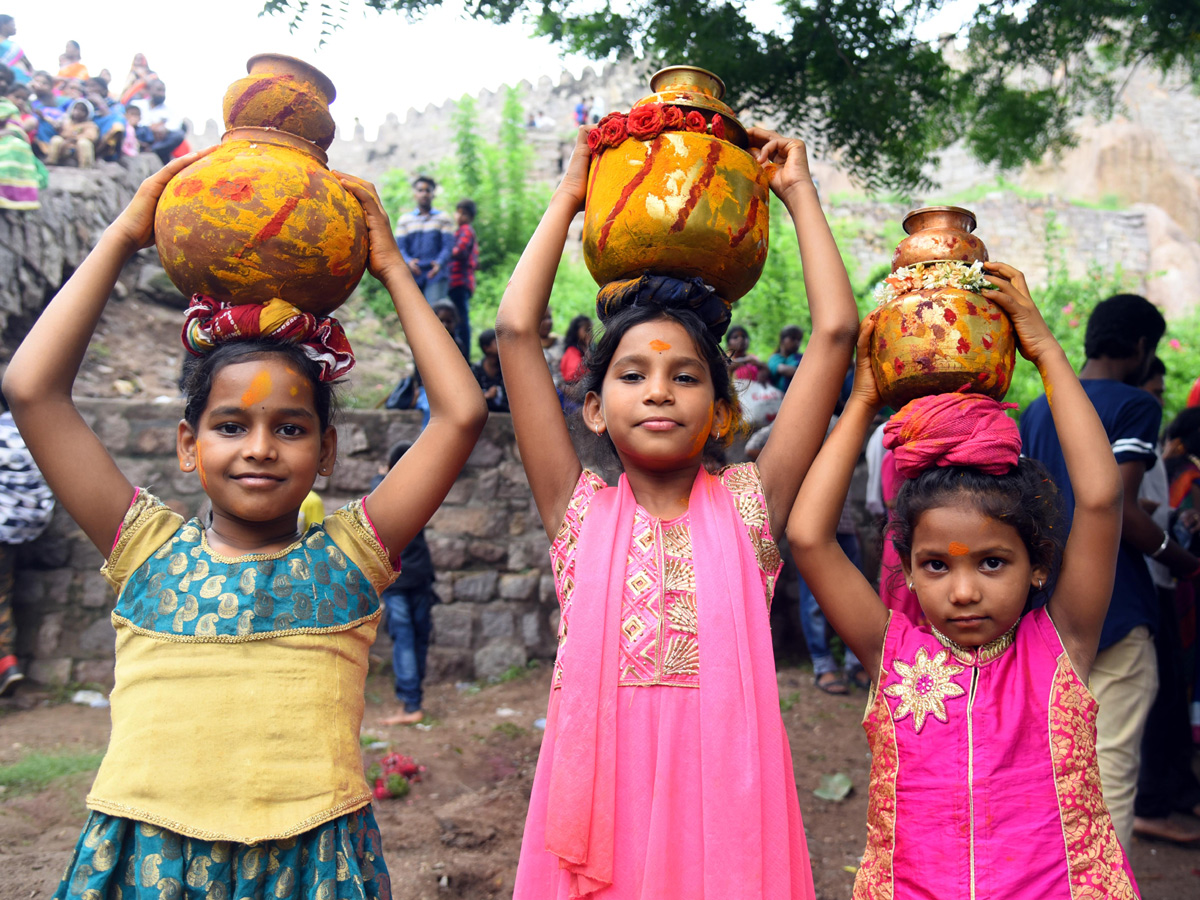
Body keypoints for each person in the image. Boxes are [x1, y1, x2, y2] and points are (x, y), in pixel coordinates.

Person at [2, 149, 487, 899]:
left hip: (313, 866)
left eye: (291, 429)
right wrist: (125, 233)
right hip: (148, 861)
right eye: (230, 426)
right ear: (189, 446)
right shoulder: (146, 551)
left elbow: (460, 413)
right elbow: (33, 390)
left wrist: (392, 265)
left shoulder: (350, 558)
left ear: (327, 452)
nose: (260, 447)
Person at [499, 125, 859, 898]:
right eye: (634, 374)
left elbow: (835, 334)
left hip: (725, 820)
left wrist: (797, 190)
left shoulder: (750, 507)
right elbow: (514, 333)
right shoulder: (578, 510)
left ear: (721, 410)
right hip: (601, 808)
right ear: (594, 409)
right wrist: (572, 195)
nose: (659, 390)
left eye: (685, 376)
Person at [789, 262, 1138, 898]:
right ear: (909, 569)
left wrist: (1043, 349)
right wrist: (864, 400)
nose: (964, 590)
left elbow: (1100, 498)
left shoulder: (1060, 647)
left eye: (992, 562)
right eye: (936, 565)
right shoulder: (892, 651)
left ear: (1039, 566)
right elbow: (809, 538)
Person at [1020, 292, 1200, 850]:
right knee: (1110, 776)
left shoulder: (1039, 406)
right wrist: (1181, 558)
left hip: (1046, 606)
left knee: (1054, 769)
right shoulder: (1134, 403)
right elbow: (1118, 505)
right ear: (1143, 346)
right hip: (1116, 605)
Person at [1133, 381, 1200, 844]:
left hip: (1160, 580)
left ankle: (1174, 791)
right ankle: (1152, 802)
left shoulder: (1159, 457)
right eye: (1154, 388)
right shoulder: (1165, 459)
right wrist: (1180, 556)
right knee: (1157, 697)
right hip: (1154, 579)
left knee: (1170, 693)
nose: (1158, 399)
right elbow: (1118, 507)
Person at [372, 441, 437, 726]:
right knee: (418, 637)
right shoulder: (423, 489)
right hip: (421, 574)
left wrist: (382, 474)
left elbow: (377, 494)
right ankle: (414, 701)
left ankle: (411, 705)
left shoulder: (385, 489)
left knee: (405, 640)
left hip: (398, 578)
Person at [0, 403, 55, 695]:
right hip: (24, 529)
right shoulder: (34, 430)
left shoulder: (3, 432)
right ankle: (7, 665)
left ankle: (6, 666)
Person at [394, 175, 455, 304]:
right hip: (412, 274)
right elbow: (400, 248)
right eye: (420, 190)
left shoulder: (443, 218)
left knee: (435, 313)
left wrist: (439, 263)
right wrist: (409, 261)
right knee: (412, 314)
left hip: (435, 274)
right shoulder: (405, 220)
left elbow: (448, 246)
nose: (424, 194)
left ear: (433, 194)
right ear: (414, 194)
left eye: (428, 190)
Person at [0, 97, 47, 209]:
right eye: (17, 96)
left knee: (17, 146)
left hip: (5, 140)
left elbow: (15, 130)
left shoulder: (7, 107)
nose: (20, 100)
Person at [447, 198, 478, 352]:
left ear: (470, 217)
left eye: (464, 214)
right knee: (457, 318)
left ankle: (464, 354)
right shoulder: (459, 231)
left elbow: (458, 251)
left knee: (461, 320)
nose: (459, 216)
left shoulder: (466, 230)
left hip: (460, 281)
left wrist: (445, 252)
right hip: (455, 281)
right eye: (458, 213)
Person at [132, 79, 186, 164]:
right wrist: (151, 127)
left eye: (163, 91)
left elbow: (176, 124)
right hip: (140, 136)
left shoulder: (169, 110)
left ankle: (151, 150)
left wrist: (164, 128)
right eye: (159, 90)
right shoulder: (137, 104)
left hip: (157, 140)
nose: (162, 93)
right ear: (150, 90)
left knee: (178, 134)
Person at [45, 99, 98, 168]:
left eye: (82, 110)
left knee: (84, 143)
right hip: (65, 148)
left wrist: (72, 139)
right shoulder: (67, 122)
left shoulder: (90, 125)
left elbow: (91, 136)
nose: (78, 112)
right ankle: (51, 162)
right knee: (56, 139)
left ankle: (86, 167)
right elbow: (62, 133)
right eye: (76, 109)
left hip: (78, 149)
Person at [472, 328, 508, 412]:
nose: (502, 345)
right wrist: (487, 396)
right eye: (497, 342)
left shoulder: (506, 369)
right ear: (486, 348)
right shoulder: (476, 370)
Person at [768, 324, 803, 391]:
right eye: (793, 338)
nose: (796, 342)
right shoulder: (775, 358)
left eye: (799, 340)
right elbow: (782, 369)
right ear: (782, 340)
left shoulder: (801, 358)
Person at [559, 314, 592, 384]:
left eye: (591, 330)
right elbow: (573, 375)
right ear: (576, 331)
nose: (590, 333)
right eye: (587, 329)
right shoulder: (572, 351)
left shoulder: (585, 349)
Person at [0, 15, 31, 84]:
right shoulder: (5, 44)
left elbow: (28, 65)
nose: (15, 28)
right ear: (4, 25)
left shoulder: (13, 45)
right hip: (7, 82)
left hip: (23, 82)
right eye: (12, 24)